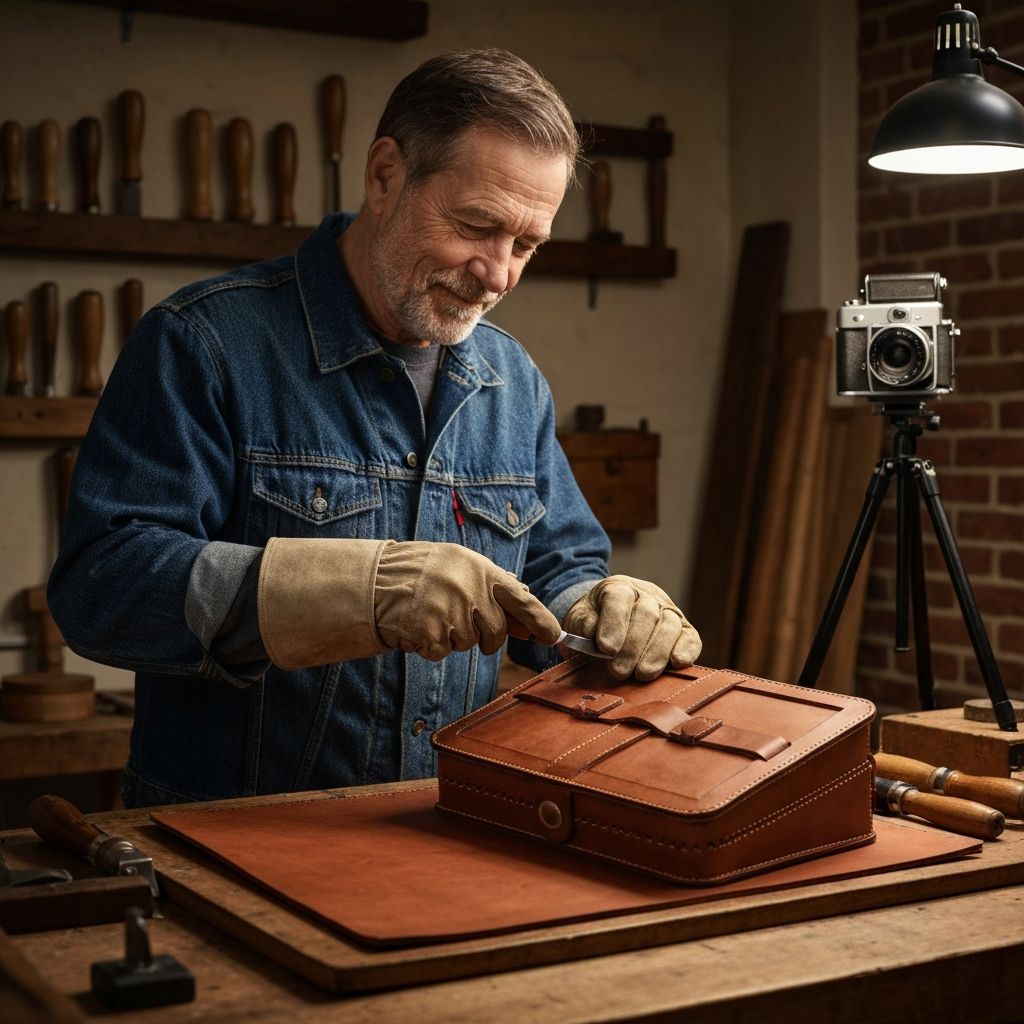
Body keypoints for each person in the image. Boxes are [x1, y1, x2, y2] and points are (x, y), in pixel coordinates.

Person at [48, 49, 701, 808]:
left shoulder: (511, 381)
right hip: (229, 840)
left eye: (525, 245)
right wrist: (348, 592)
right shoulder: (205, 344)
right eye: (477, 226)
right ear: (386, 174)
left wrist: (600, 604)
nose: (499, 275)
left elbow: (556, 571)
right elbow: (106, 589)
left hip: (442, 827)